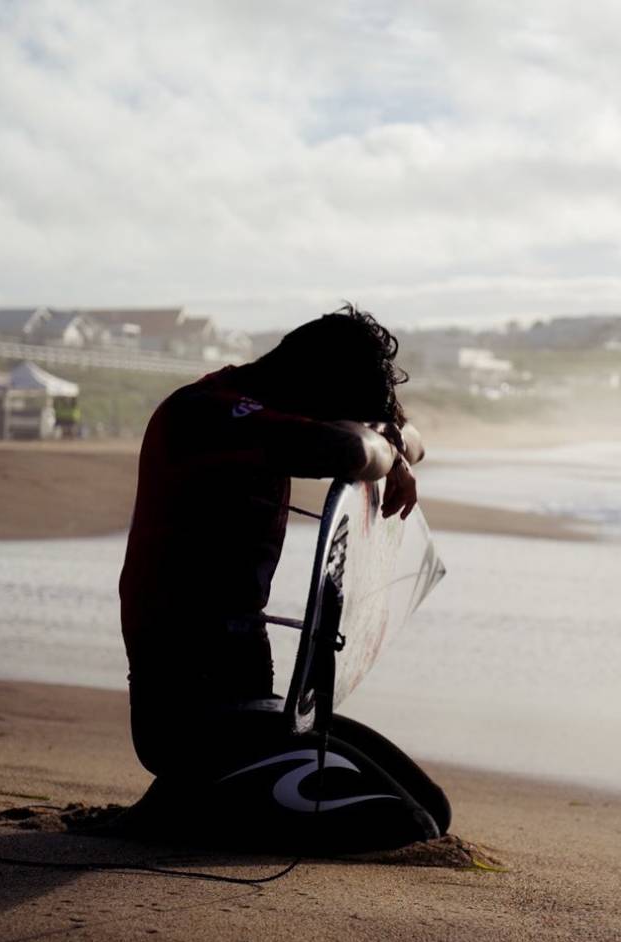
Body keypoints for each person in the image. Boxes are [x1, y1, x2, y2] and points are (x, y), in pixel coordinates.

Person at [119, 305, 450, 852]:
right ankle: (187, 799)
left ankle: (198, 797)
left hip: (252, 691)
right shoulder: (206, 413)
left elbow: (409, 438)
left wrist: (393, 441)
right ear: (308, 383)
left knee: (432, 807)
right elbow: (346, 449)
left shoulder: (281, 407)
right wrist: (386, 453)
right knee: (405, 825)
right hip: (182, 712)